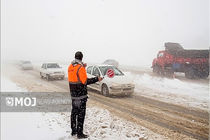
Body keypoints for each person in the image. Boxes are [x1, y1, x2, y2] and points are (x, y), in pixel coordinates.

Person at [68, 51, 103, 139]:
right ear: (82, 58)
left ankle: (73, 131)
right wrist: (97, 79)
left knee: (74, 113)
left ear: (75, 57)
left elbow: (76, 75)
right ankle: (80, 134)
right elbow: (85, 81)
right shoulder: (80, 68)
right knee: (81, 114)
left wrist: (82, 66)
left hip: (73, 94)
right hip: (81, 95)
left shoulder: (70, 66)